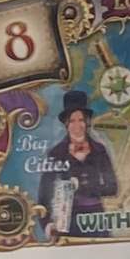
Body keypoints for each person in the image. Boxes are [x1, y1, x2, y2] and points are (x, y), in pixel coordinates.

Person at [36, 89, 118, 238]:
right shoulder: (56, 153)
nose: (77, 126)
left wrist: (84, 187)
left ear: (87, 122)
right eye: (72, 121)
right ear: (66, 124)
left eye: (81, 120)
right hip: (67, 221)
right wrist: (47, 224)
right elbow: (44, 194)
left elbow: (112, 187)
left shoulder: (99, 150)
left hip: (96, 219)